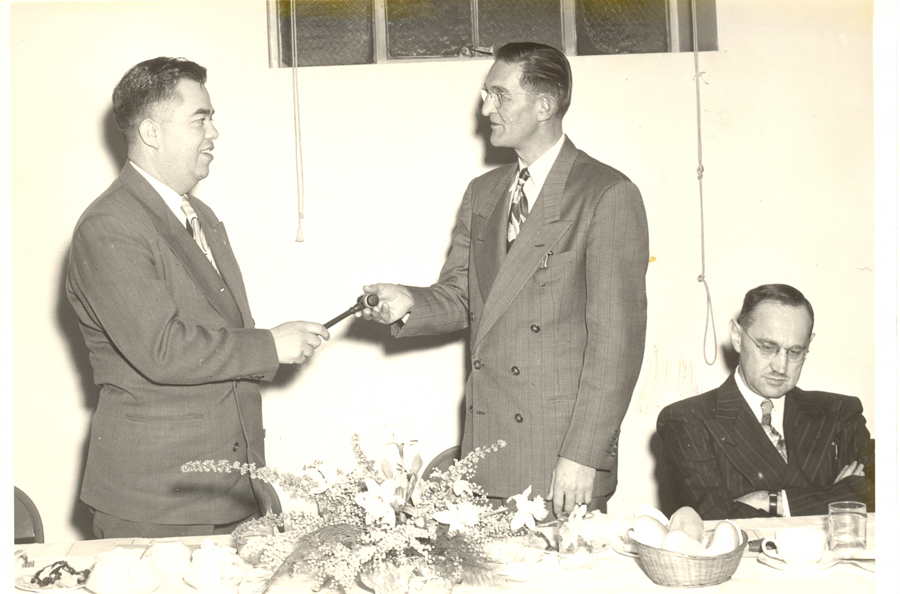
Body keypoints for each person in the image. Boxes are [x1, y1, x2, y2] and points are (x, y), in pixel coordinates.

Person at [360, 42, 649, 516]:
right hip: (487, 447)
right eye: (486, 93)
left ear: (544, 105)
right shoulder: (485, 192)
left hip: (560, 456)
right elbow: (462, 296)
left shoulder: (605, 194)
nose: (485, 106)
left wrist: (583, 456)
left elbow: (616, 345)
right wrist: (407, 302)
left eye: (499, 95)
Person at [66, 57, 329, 538]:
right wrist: (270, 345)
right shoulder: (110, 226)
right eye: (200, 118)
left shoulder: (201, 217)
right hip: (158, 501)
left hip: (232, 491)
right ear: (151, 132)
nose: (214, 133)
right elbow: (162, 349)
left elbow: (215, 335)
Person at [657, 284, 874, 520]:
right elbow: (709, 517)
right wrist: (835, 496)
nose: (781, 367)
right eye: (768, 347)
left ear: (809, 344)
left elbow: (885, 492)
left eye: (795, 352)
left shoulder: (839, 413)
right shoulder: (687, 420)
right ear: (737, 337)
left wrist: (772, 501)